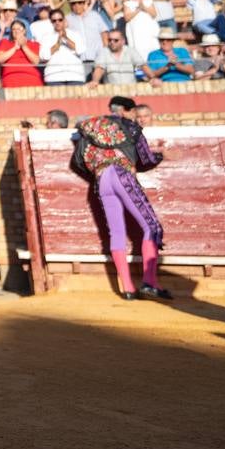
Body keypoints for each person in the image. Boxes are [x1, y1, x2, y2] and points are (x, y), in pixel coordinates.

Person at [72, 96, 171, 301]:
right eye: (133, 112)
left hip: (101, 181)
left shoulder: (90, 128)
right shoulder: (129, 126)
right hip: (121, 175)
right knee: (152, 227)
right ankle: (150, 282)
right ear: (126, 111)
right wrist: (162, 155)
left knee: (117, 232)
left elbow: (78, 161)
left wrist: (99, 168)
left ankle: (127, 288)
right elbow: (147, 159)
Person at [40, 9, 86, 85]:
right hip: (54, 77)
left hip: (75, 75)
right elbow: (43, 56)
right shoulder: (46, 37)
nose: (57, 23)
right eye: (54, 21)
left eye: (60, 20)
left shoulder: (75, 34)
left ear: (64, 20)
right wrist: (57, 44)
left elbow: (81, 50)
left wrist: (66, 38)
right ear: (51, 22)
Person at [0, 19, 44, 88]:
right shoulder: (5, 43)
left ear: (24, 31)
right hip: (11, 78)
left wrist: (24, 46)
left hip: (31, 77)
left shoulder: (33, 44)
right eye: (13, 29)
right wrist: (14, 48)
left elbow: (36, 61)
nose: (16, 31)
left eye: (19, 29)